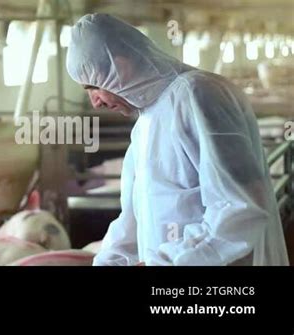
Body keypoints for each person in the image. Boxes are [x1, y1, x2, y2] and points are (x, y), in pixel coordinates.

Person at [66, 13, 289, 266]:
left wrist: (168, 263)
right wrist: (110, 261)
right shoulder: (144, 125)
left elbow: (239, 207)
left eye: (93, 86)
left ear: (121, 67)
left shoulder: (196, 94)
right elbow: (133, 220)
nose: (95, 103)